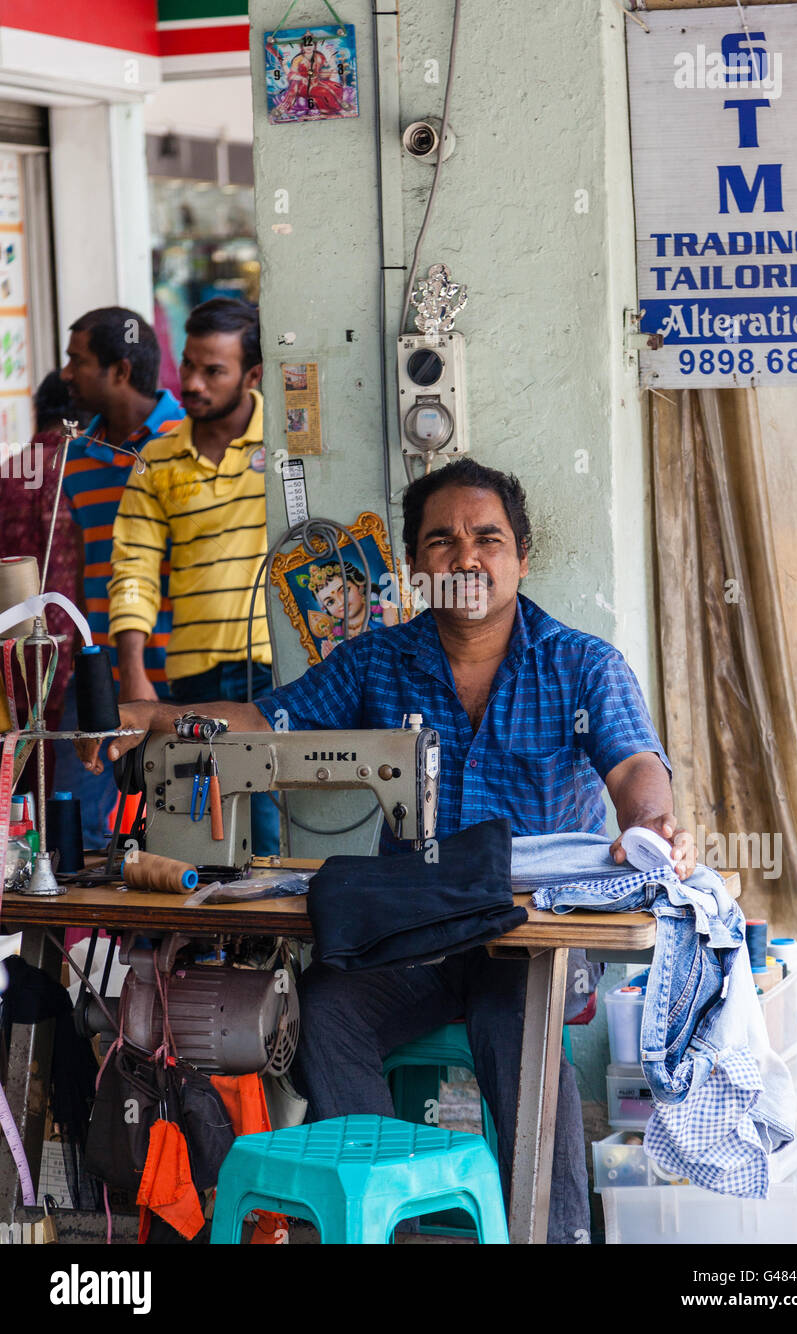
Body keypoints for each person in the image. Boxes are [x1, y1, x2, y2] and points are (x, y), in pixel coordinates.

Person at [79, 458, 695, 1242]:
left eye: (486, 538)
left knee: (520, 1021)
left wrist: (652, 825)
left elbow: (636, 766)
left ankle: (553, 1232)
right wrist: (156, 714)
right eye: (441, 541)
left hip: (532, 935)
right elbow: (270, 722)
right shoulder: (378, 662)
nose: (464, 557)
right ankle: (392, 1220)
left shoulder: (582, 666)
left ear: (521, 557)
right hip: (419, 932)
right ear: (413, 568)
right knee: (328, 1009)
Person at [106, 297, 277, 855]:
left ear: (252, 375)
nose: (194, 384)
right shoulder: (156, 461)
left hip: (277, 675)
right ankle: (210, 947)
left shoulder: (285, 447)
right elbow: (132, 570)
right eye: (189, 366)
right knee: (202, 840)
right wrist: (133, 670)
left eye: (214, 370)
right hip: (192, 683)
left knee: (275, 837)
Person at [55, 308, 182, 847]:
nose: (65, 373)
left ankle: (162, 936)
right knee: (70, 824)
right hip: (97, 670)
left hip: (179, 674)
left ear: (121, 371)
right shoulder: (77, 458)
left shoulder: (190, 443)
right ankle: (74, 932)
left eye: (77, 360)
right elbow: (90, 567)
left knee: (180, 824)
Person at [0, 373, 89, 793]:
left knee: (17, 766)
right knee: (72, 772)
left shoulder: (10, 471)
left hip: (11, 647)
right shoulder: (81, 467)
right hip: (75, 648)